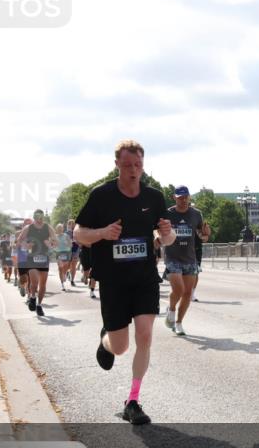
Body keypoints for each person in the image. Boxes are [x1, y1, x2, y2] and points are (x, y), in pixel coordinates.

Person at [74, 140, 174, 425]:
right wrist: (103, 233)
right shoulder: (102, 196)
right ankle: (106, 342)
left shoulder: (153, 197)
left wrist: (166, 234)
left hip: (144, 278)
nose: (133, 171)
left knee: (144, 336)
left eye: (138, 165)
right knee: (120, 347)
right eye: (128, 165)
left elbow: (167, 240)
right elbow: (79, 233)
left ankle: (133, 401)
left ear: (143, 164)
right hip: (113, 280)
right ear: (117, 164)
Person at [163, 186, 207, 336]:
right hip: (172, 257)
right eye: (180, 197)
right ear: (174, 198)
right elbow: (157, 229)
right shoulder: (167, 214)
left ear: (189, 197)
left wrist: (206, 234)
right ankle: (171, 309)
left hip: (189, 258)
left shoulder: (196, 214)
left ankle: (179, 323)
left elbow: (203, 235)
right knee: (179, 289)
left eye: (185, 197)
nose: (183, 200)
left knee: (187, 293)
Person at [16, 210, 56, 316]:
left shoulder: (48, 227)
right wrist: (26, 245)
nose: (40, 219)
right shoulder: (28, 228)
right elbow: (19, 240)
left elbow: (55, 241)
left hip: (44, 257)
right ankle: (33, 296)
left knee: (43, 284)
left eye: (41, 217)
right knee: (34, 283)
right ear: (34, 218)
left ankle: (39, 305)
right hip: (32, 257)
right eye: (38, 217)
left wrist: (51, 243)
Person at [55, 223, 73, 291]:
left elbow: (70, 244)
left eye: (61, 228)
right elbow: (52, 244)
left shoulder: (66, 236)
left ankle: (65, 274)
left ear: (63, 229)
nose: (60, 229)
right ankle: (62, 284)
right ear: (57, 229)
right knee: (60, 268)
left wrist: (68, 243)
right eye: (58, 228)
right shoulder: (55, 236)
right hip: (58, 253)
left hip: (66, 252)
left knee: (65, 266)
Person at [66, 219, 79, 287]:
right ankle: (67, 272)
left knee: (74, 265)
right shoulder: (67, 232)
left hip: (76, 249)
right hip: (68, 250)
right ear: (68, 224)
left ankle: (72, 280)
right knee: (68, 265)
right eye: (70, 223)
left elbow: (80, 239)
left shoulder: (77, 231)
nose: (72, 225)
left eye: (73, 223)